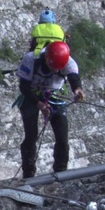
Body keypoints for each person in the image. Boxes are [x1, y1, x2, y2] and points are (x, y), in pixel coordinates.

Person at [15, 41, 84, 178]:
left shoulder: (69, 62)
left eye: (58, 69)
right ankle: (28, 173)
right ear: (46, 59)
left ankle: (61, 172)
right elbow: (24, 87)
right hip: (31, 94)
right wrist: (38, 103)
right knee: (31, 136)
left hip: (54, 94)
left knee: (62, 137)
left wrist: (77, 90)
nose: (55, 71)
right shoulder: (30, 59)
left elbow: (73, 78)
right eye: (53, 67)